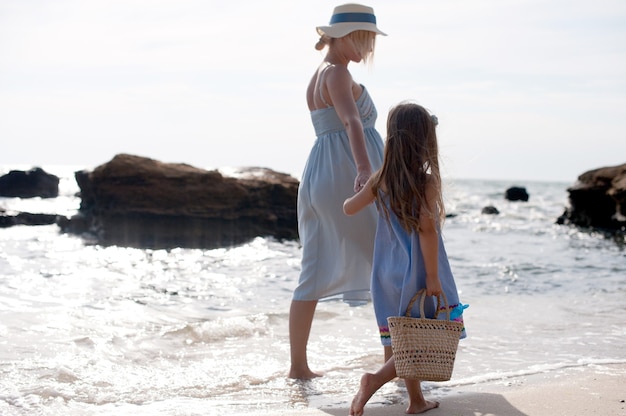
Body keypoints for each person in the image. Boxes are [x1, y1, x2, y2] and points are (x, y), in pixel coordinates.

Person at [343, 102, 467, 415]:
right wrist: (434, 278)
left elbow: (349, 208)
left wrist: (360, 184)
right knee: (423, 336)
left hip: (385, 270)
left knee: (399, 334)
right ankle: (374, 380)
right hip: (417, 271)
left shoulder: (379, 179)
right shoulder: (425, 183)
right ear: (425, 141)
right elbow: (426, 232)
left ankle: (416, 400)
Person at [288, 3, 387, 380]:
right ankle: (393, 362)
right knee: (386, 260)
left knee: (312, 267)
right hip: (348, 173)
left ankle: (298, 367)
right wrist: (365, 168)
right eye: (364, 40)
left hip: (319, 173)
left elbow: (336, 124)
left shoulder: (319, 74)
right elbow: (350, 121)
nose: (368, 49)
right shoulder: (339, 74)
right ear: (345, 37)